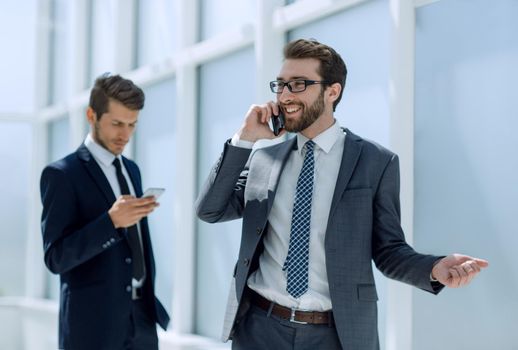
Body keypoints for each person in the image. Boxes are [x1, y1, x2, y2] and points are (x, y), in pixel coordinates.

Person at [195, 39, 488, 350]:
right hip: (259, 330)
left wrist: (434, 268)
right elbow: (210, 210)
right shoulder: (263, 160)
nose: (284, 96)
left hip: (334, 336)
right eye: (279, 86)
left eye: (298, 85)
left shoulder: (376, 162)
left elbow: (388, 250)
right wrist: (244, 139)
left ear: (332, 91)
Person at [40, 73, 169, 350]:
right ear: (92, 115)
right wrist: (110, 222)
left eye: (132, 125)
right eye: (117, 124)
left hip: (141, 322)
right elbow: (55, 257)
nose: (125, 134)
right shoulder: (62, 174)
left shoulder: (132, 169)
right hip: (92, 329)